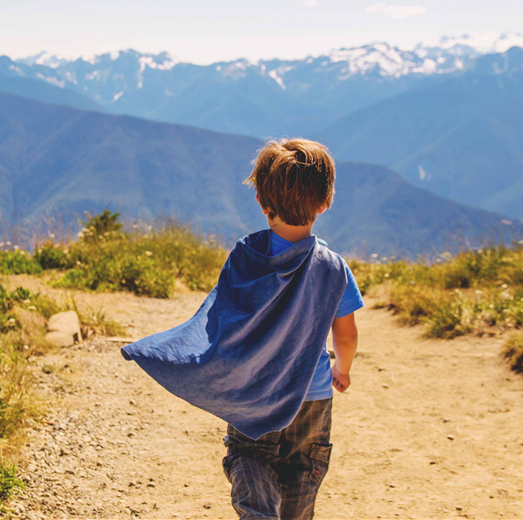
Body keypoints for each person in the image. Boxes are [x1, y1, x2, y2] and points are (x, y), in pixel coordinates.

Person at [121, 138, 364, 520]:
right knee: (303, 471)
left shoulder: (246, 256)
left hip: (254, 389)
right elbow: (346, 335)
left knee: (250, 454)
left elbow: (221, 320)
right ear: (325, 201)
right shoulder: (333, 267)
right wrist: (342, 370)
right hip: (312, 393)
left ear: (262, 202)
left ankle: (258, 513)